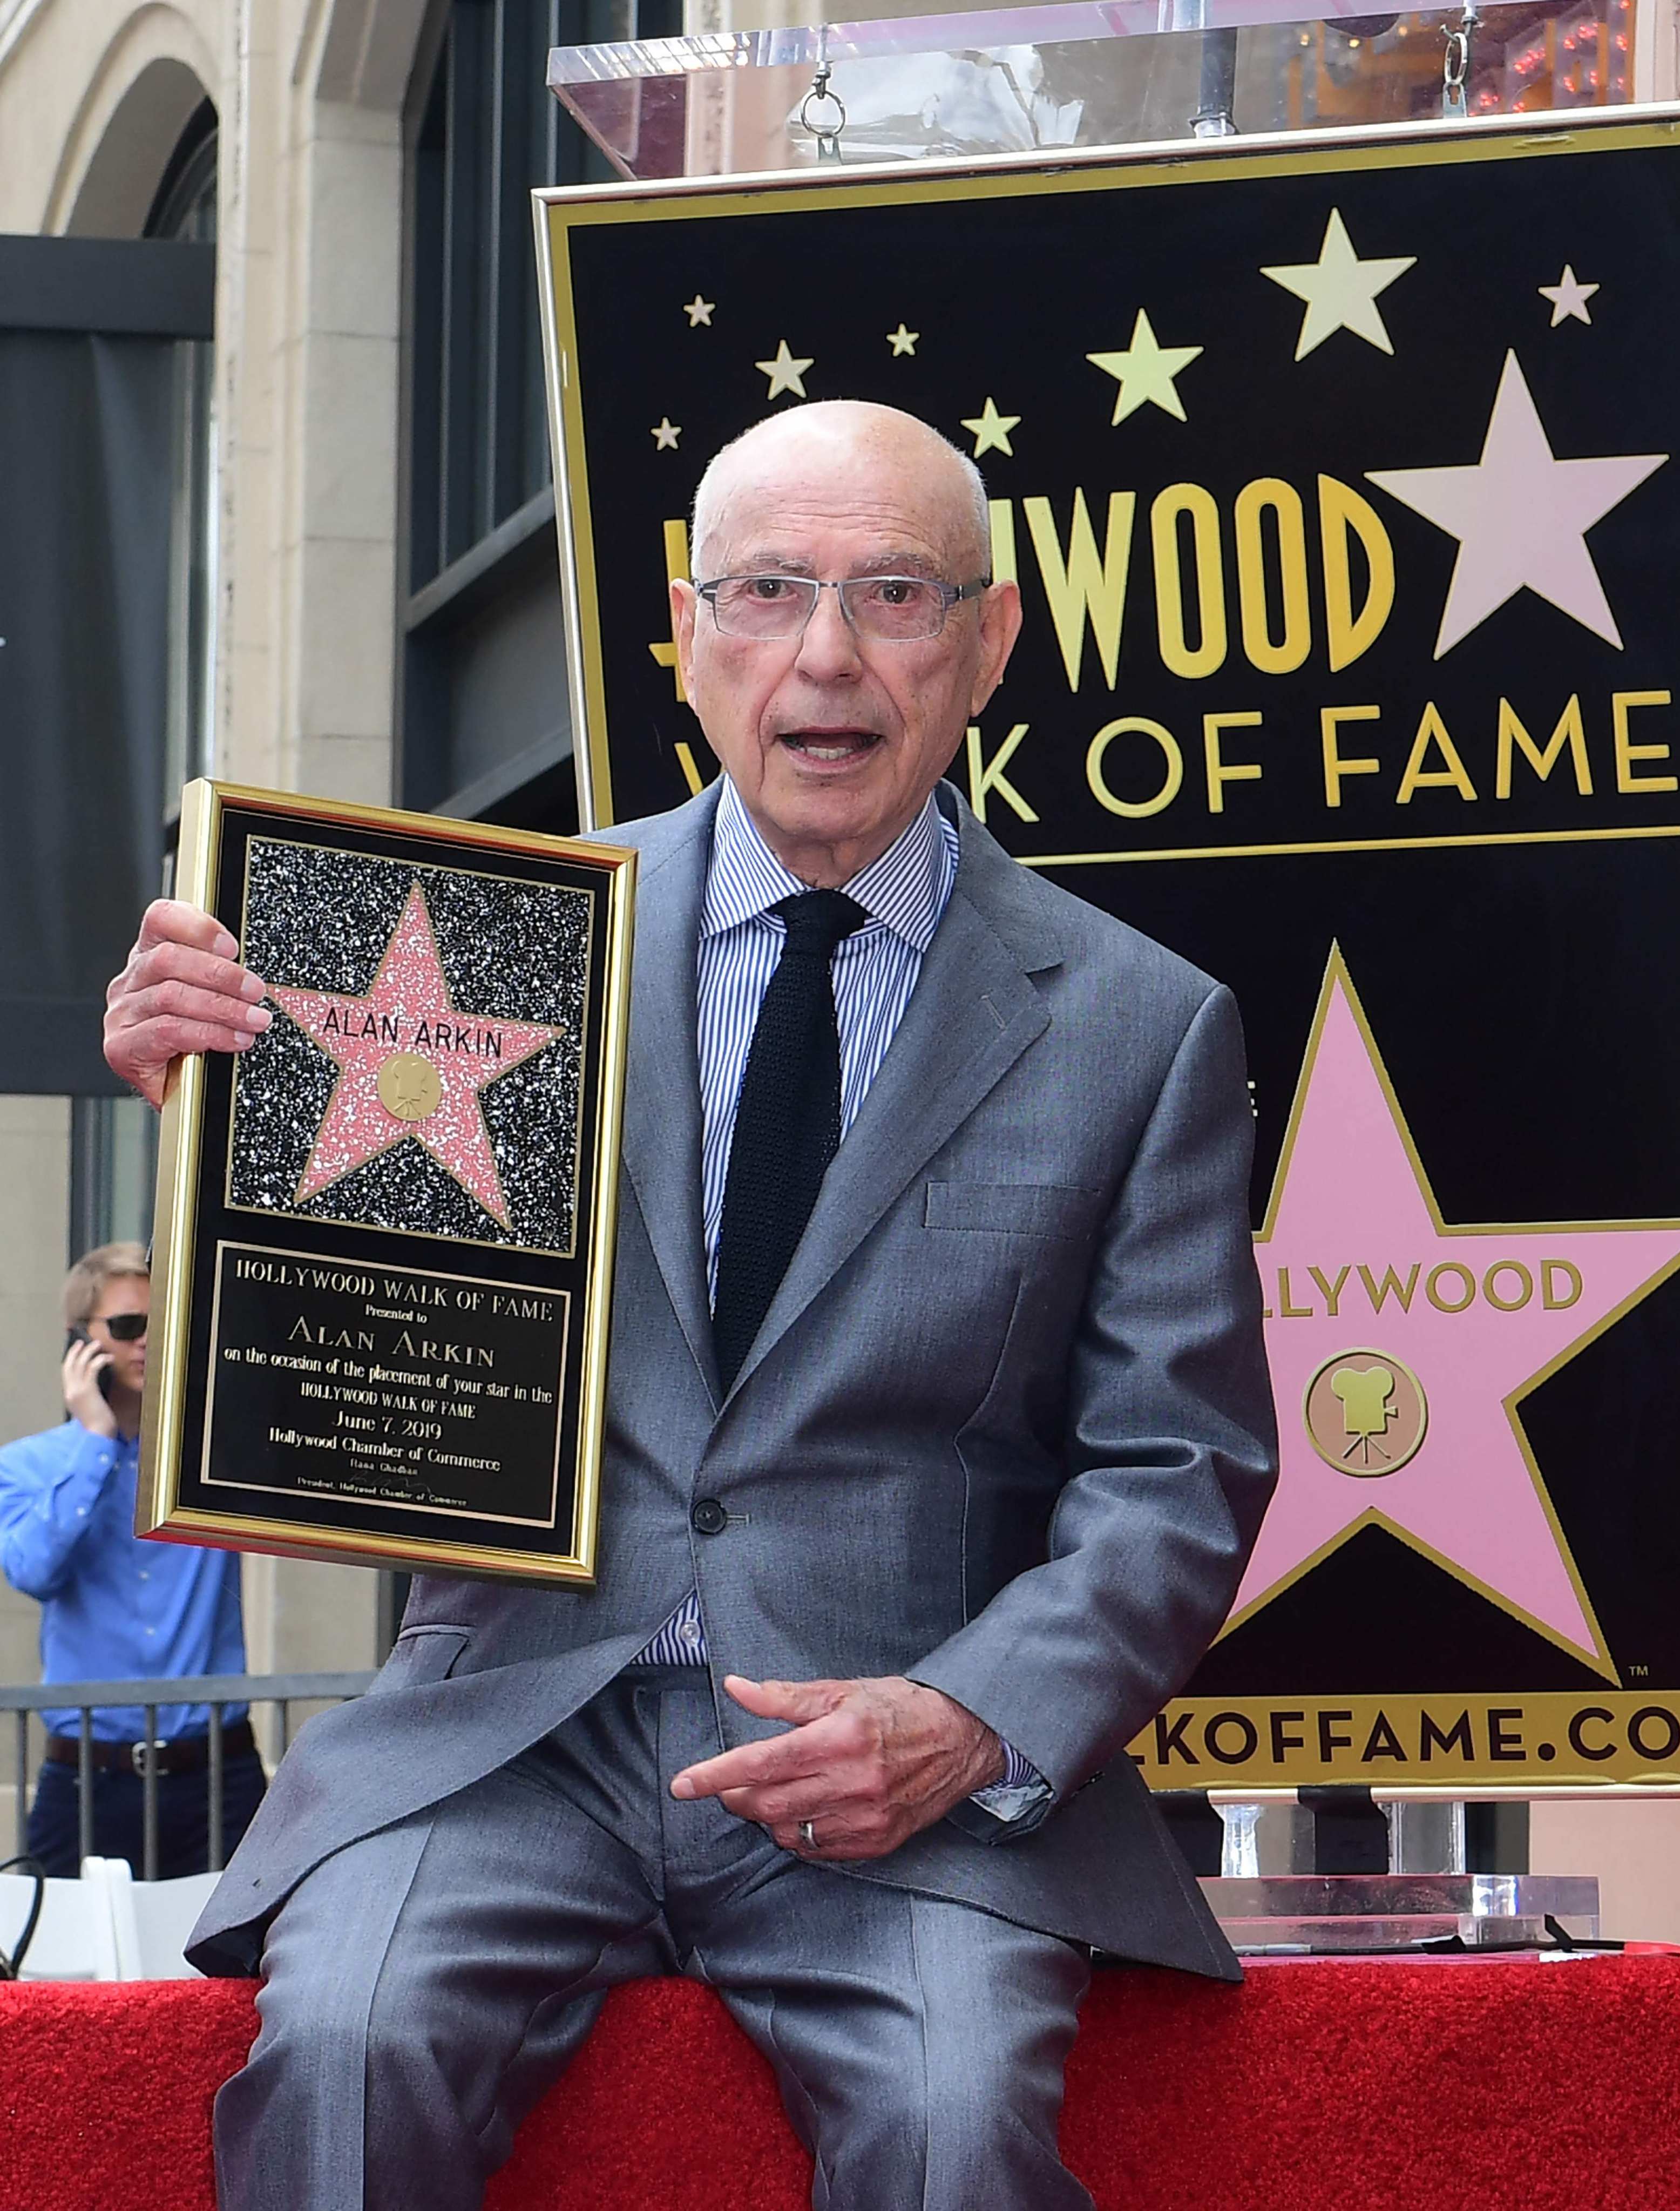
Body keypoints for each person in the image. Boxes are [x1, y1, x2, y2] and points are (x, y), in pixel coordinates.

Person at [102, 400, 1278, 2211]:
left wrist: (961, 1718)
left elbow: (1176, 1468)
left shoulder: (1136, 1022)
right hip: (504, 1738)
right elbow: (325, 1348)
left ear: (990, 641)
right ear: (682, 628)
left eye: (894, 593)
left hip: (893, 1770)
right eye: (768, 591)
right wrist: (213, 1113)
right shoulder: (470, 952)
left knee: (962, 2116)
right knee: (342, 2050)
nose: (826, 654)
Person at [0, 1243, 266, 1878]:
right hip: (87, 1776)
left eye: (164, 1320)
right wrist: (95, 1440)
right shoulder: (29, 1465)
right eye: (127, 1327)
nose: (148, 1341)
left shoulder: (210, 1462)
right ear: (81, 1342)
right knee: (64, 1972)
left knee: (238, 1971)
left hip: (217, 1774)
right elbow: (33, 1571)